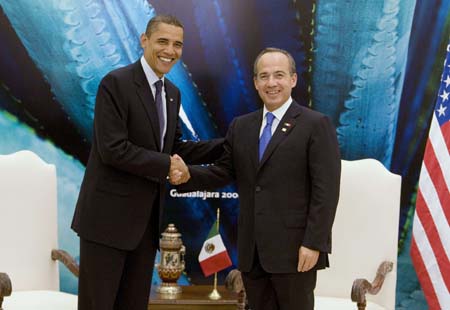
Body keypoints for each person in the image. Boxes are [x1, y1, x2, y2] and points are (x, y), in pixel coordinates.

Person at [71, 15, 223, 310]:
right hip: (106, 224)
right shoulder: (115, 83)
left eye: (177, 44)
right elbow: (113, 149)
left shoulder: (172, 94)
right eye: (163, 41)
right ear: (144, 41)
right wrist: (168, 165)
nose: (170, 50)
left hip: (144, 227)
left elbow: (175, 148)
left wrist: (230, 146)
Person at [172, 47, 341, 310]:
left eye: (279, 75)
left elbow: (326, 191)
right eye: (264, 76)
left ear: (293, 80)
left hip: (296, 252)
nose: (271, 83)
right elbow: (224, 171)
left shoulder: (315, 124)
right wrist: (187, 175)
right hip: (253, 253)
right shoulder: (242, 126)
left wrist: (314, 243)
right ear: (255, 82)